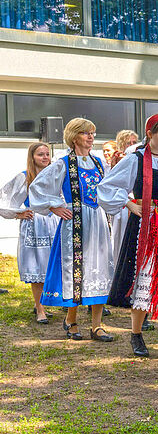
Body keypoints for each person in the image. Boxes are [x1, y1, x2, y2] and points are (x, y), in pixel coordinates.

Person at [98, 113, 158, 361]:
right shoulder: (135, 159)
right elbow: (107, 187)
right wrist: (129, 204)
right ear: (150, 134)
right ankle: (136, 334)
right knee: (143, 279)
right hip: (145, 225)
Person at [29, 118, 114, 342]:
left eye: (92, 133)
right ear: (74, 136)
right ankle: (71, 319)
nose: (90, 137)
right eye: (86, 133)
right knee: (76, 269)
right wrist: (54, 207)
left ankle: (97, 325)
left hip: (97, 220)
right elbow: (37, 188)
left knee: (100, 268)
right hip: (75, 223)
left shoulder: (98, 163)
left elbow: (108, 189)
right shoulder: (63, 163)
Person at [0, 143, 60, 323]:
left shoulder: (56, 175)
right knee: (37, 266)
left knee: (50, 265)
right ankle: (40, 308)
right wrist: (18, 214)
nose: (45, 157)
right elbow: (5, 198)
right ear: (32, 157)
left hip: (53, 223)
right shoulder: (25, 177)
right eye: (40, 154)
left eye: (47, 154)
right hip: (35, 224)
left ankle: (42, 302)